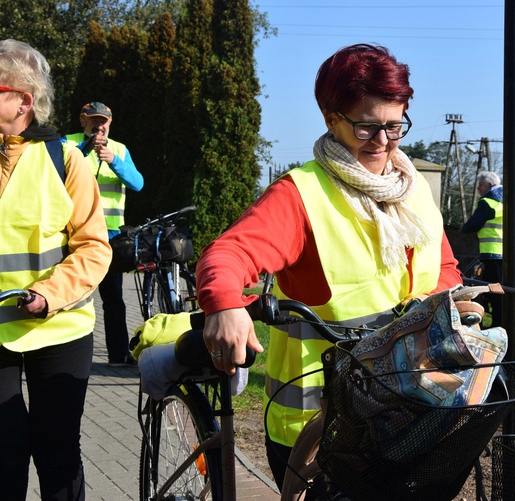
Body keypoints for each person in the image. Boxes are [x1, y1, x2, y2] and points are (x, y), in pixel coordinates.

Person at [195, 43, 463, 489]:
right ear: (330, 119)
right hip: (317, 427)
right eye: (366, 127)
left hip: (408, 409)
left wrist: (442, 303)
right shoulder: (300, 194)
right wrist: (224, 304)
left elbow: (445, 266)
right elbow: (228, 253)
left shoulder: (412, 190)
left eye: (395, 126)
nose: (383, 143)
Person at [0, 39, 111, 500]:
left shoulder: (64, 159)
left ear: (24, 100)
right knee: (3, 448)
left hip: (59, 326)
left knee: (57, 449)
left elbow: (93, 248)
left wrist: (49, 294)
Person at [63, 102, 144, 367]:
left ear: (110, 123)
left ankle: (118, 354)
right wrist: (86, 149)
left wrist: (114, 161)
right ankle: (63, 354)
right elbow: (55, 171)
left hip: (109, 236)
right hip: (72, 233)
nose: (100, 127)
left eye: (104, 122)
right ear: (82, 121)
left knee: (113, 299)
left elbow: (138, 183)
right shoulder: (68, 143)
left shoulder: (119, 149)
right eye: (94, 121)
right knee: (70, 295)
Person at [460, 171, 504, 326]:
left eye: (480, 186)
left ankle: (497, 324)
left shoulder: (488, 202)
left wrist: (463, 228)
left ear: (490, 185)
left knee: (493, 292)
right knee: (500, 291)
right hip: (506, 254)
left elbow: (471, 225)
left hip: (492, 253)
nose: (478, 189)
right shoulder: (508, 199)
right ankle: (496, 322)